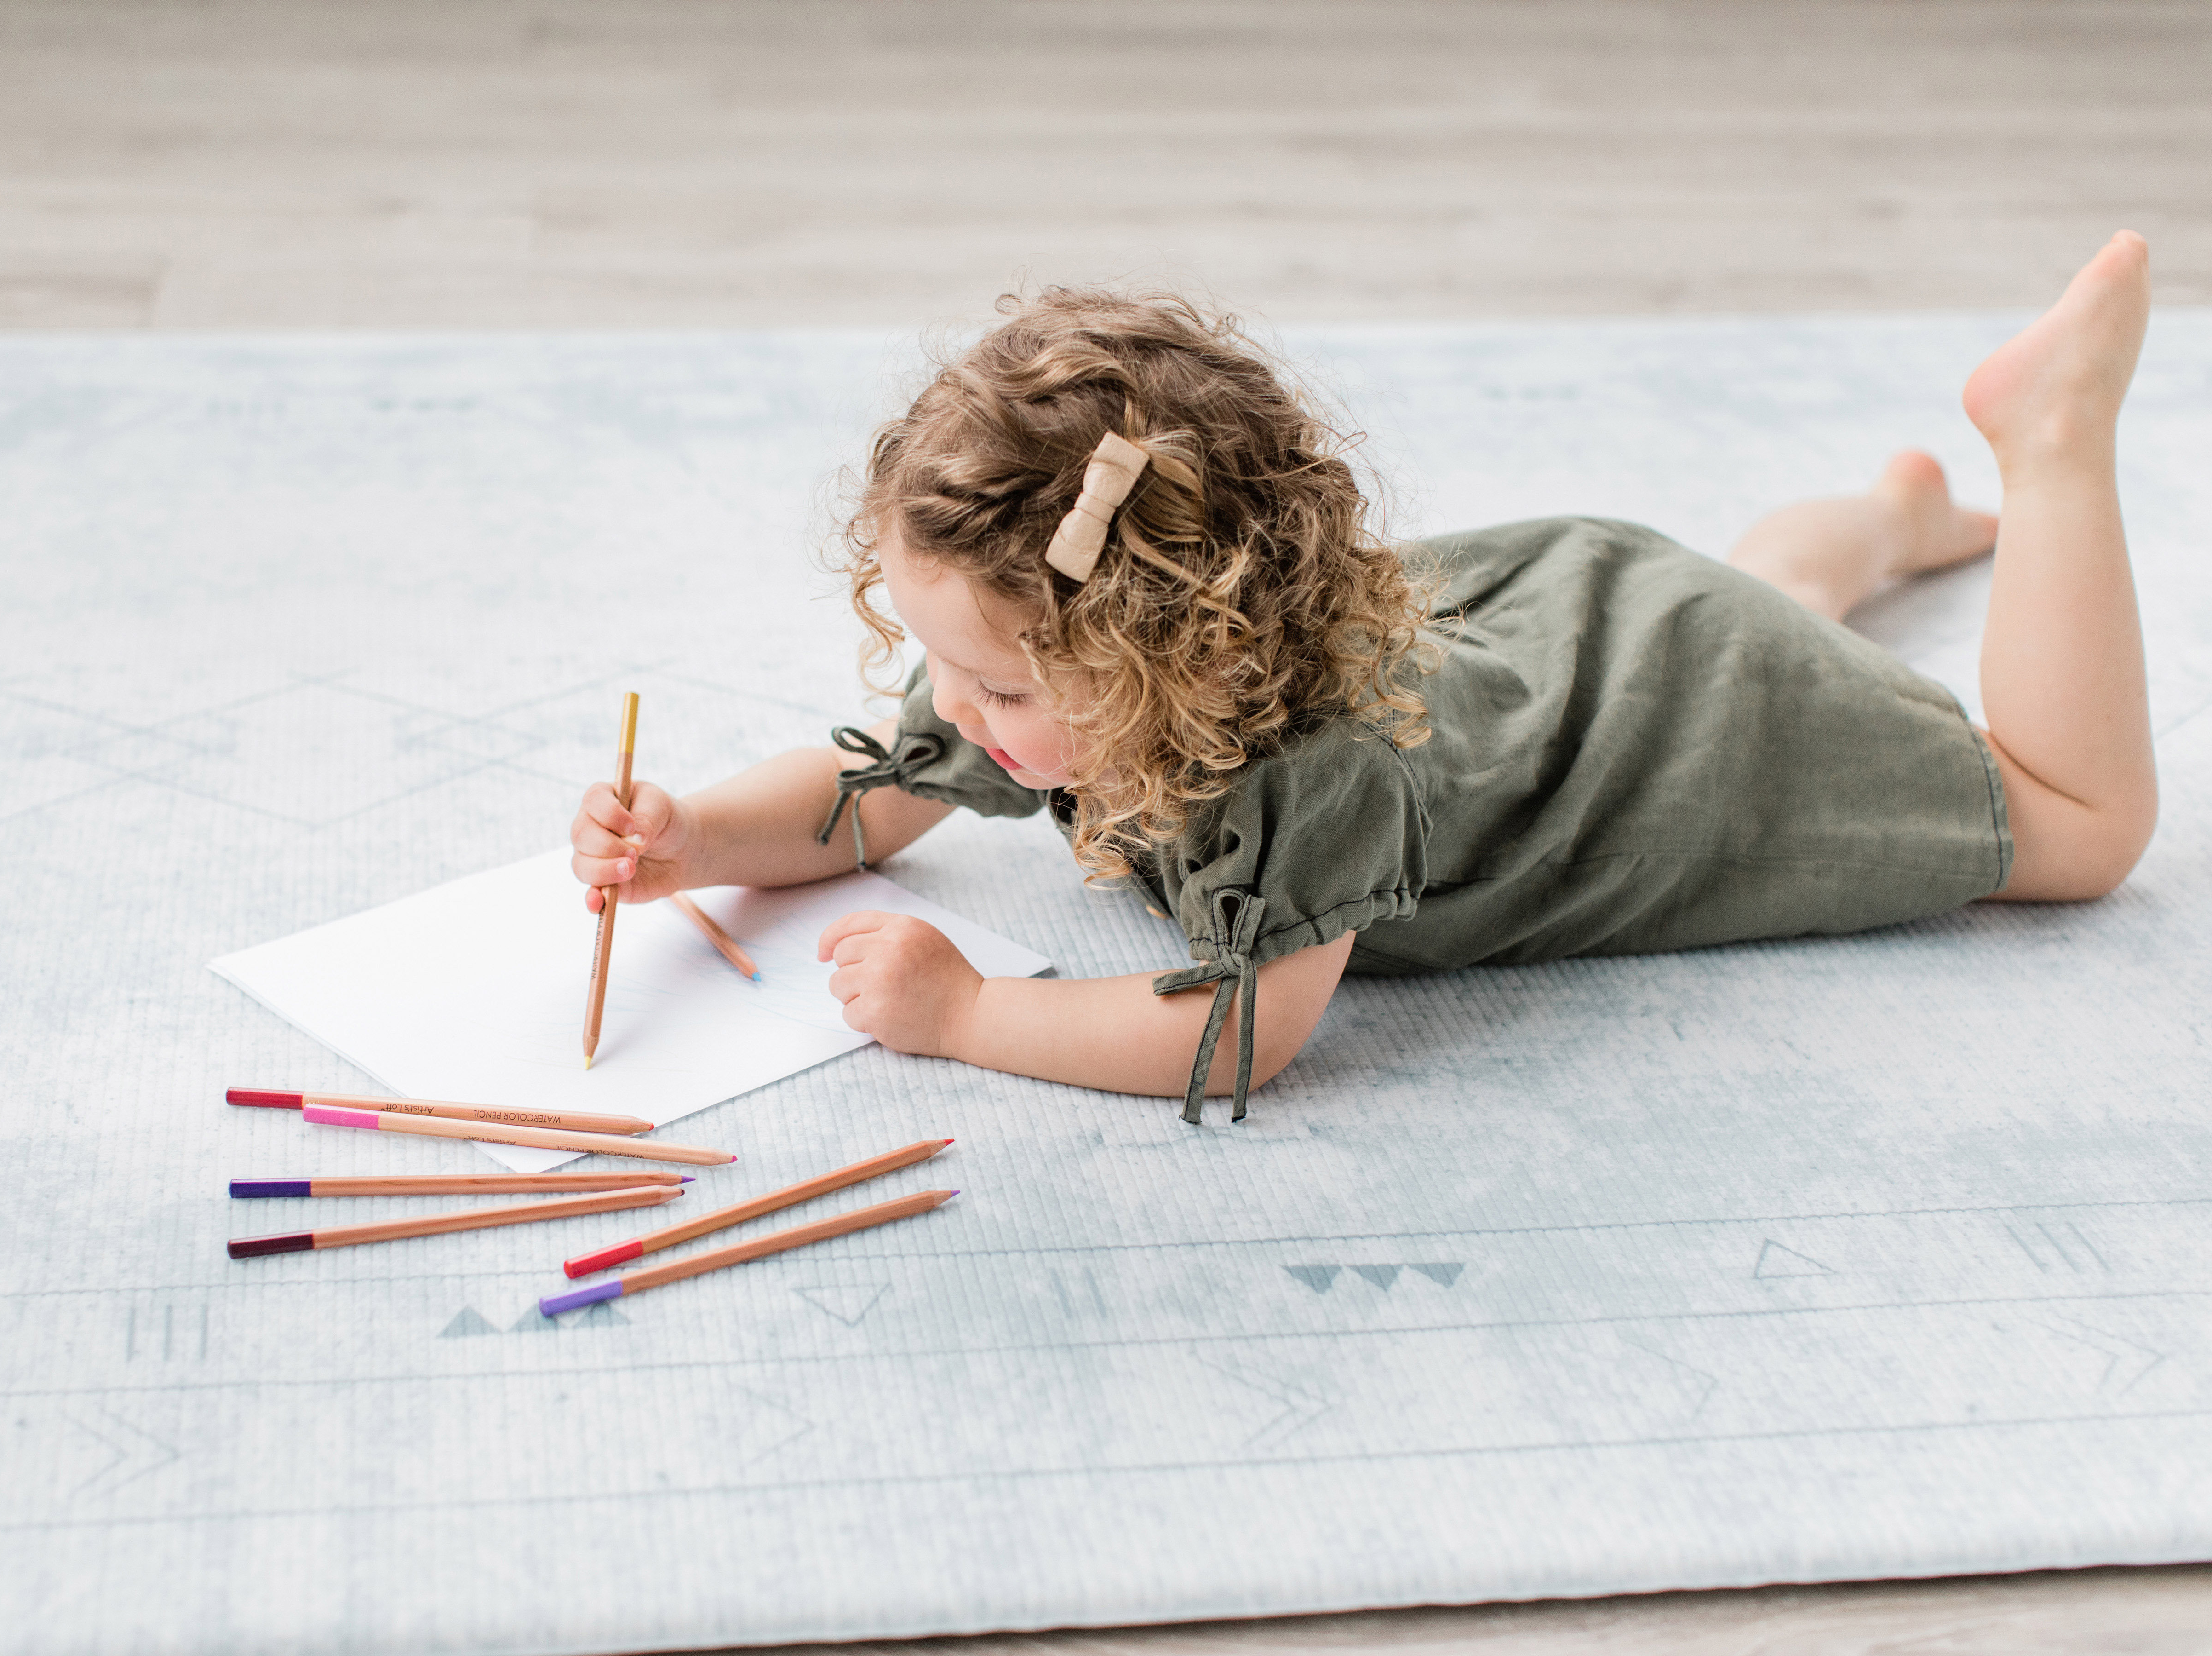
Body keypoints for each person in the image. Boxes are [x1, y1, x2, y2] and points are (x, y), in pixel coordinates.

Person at [570, 233, 2157, 1124]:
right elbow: (865, 796)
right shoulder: (1049, 666)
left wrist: (974, 1011)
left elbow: (1239, 1035)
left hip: (1672, 717)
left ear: (1177, 661)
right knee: (1758, 595)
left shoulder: (1304, 777)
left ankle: (2053, 448)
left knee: (2075, 828)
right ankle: (1888, 521)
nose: (953, 717)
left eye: (989, 688)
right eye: (948, 671)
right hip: (1582, 613)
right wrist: (699, 838)